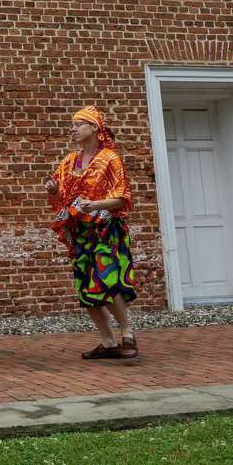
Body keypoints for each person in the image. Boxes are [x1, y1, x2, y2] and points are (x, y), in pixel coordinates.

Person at [46, 107, 138, 360]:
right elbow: (61, 199)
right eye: (72, 125)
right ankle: (108, 343)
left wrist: (95, 205)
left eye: (78, 124)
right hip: (80, 231)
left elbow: (123, 198)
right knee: (86, 288)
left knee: (106, 280)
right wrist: (53, 190)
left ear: (95, 128)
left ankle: (127, 334)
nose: (73, 129)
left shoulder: (110, 158)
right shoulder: (69, 161)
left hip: (106, 229)